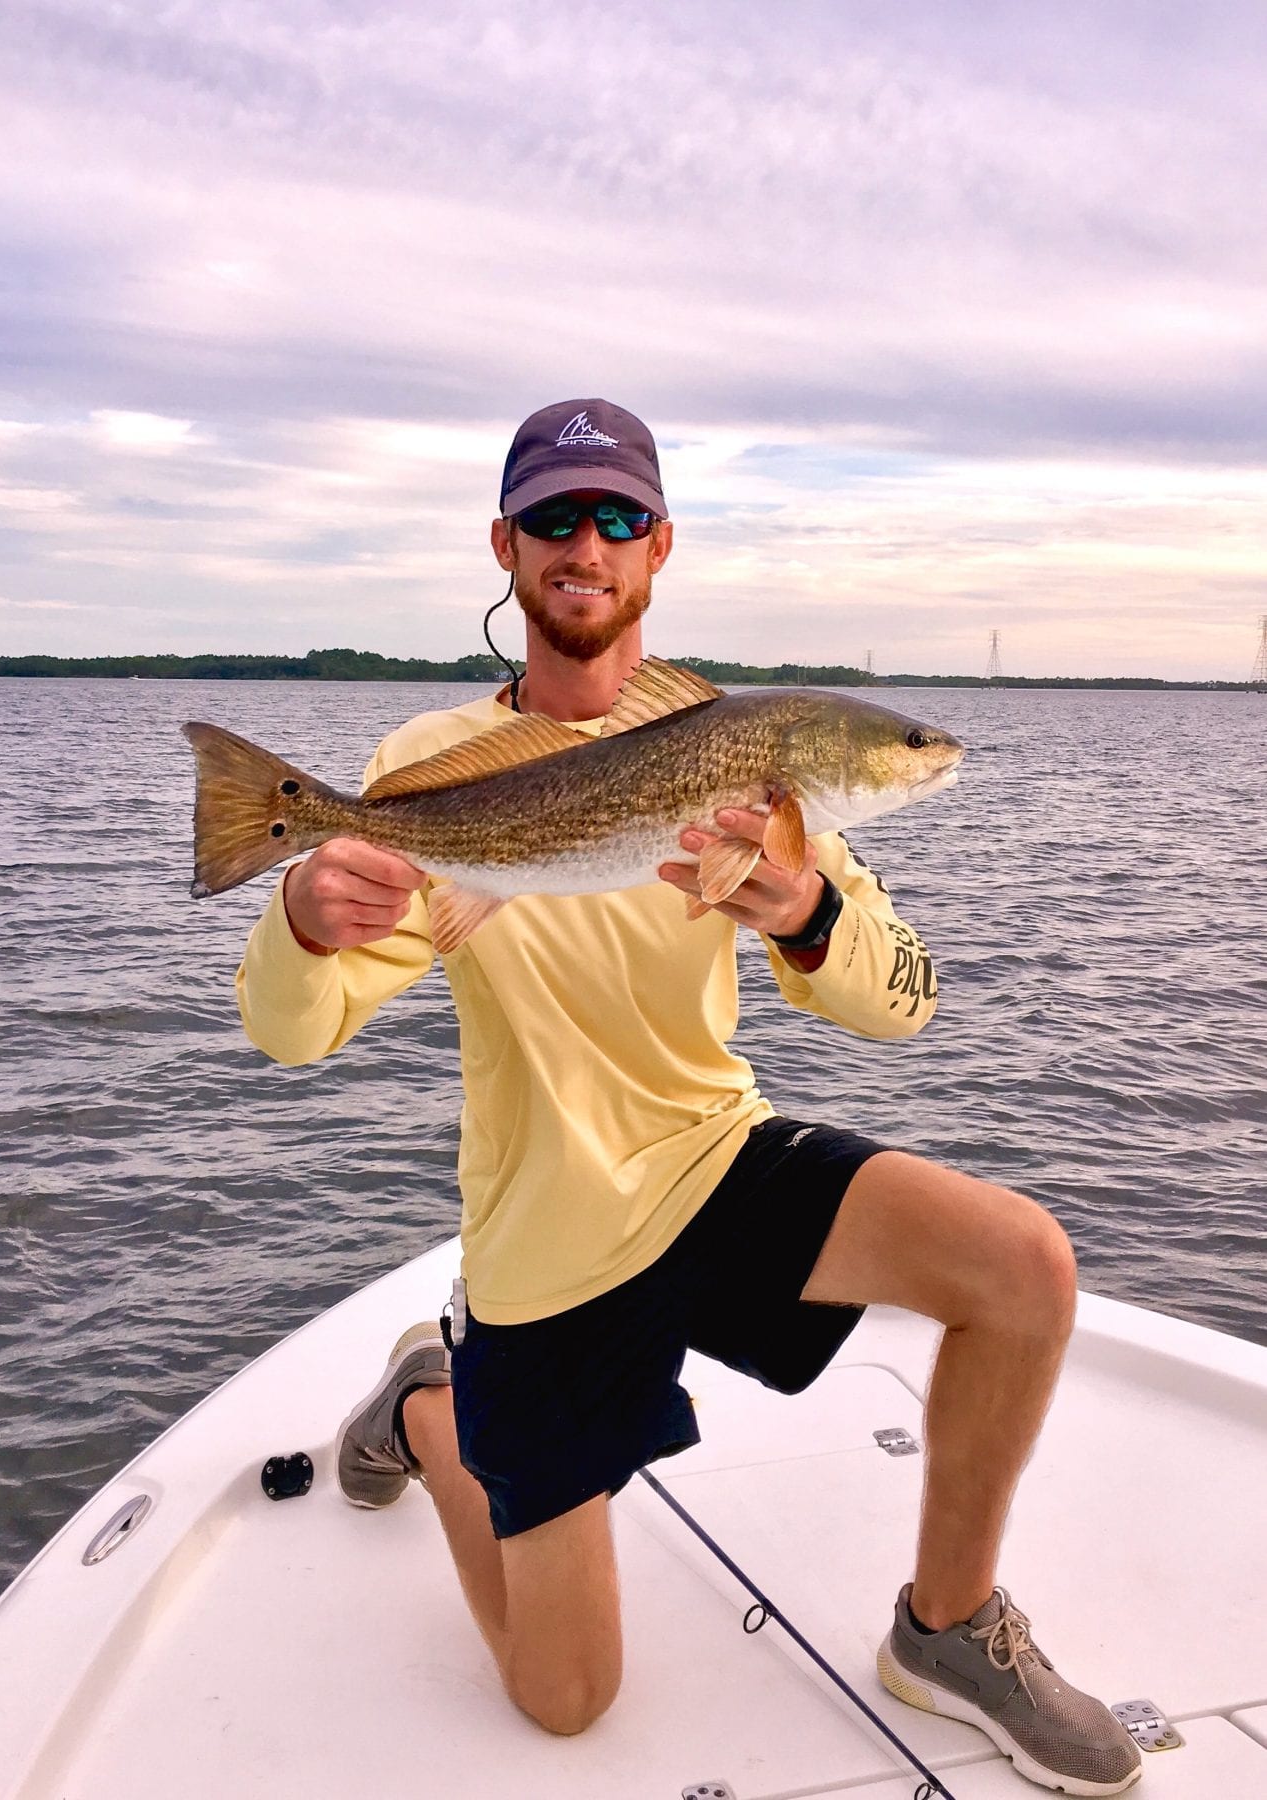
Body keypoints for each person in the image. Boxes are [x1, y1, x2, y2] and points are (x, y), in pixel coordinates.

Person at [234, 399, 1140, 1796]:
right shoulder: (432, 764)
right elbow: (294, 1035)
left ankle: (946, 1627)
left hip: (711, 1163)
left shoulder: (742, 746)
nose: (581, 545)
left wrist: (805, 911)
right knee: (567, 1702)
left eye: (612, 519)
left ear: (657, 549)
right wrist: (302, 913)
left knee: (1020, 1263)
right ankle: (430, 1399)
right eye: (551, 518)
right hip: (543, 1244)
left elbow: (903, 1007)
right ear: (505, 545)